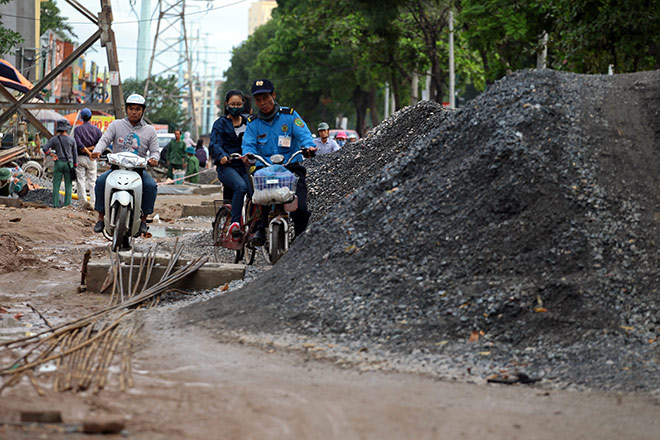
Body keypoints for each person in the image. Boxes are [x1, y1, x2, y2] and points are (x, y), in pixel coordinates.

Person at [241, 79, 317, 244]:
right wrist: (248, 154)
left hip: (291, 167)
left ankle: (300, 239)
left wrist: (309, 147)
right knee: (259, 198)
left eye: (265, 97)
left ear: (273, 95)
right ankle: (259, 229)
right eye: (258, 99)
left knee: (301, 208)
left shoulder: (289, 116)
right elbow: (248, 144)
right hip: (265, 169)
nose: (262, 103)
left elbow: (304, 134)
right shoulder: (253, 123)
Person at [90, 93, 159, 234]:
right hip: (116, 168)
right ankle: (101, 218)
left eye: (138, 109)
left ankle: (144, 220)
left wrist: (154, 159)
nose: (134, 112)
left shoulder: (150, 130)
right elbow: (104, 140)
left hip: (138, 171)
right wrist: (97, 151)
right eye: (131, 108)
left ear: (143, 111)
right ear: (127, 110)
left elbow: (155, 151)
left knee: (151, 186)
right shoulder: (116, 125)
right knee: (101, 181)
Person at [209, 89, 252, 238]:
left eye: (238, 104)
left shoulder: (249, 124)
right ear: (227, 104)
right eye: (232, 104)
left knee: (256, 194)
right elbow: (214, 144)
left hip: (244, 167)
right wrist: (221, 156)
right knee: (241, 187)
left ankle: (256, 229)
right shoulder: (220, 124)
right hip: (226, 167)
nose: (235, 107)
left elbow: (255, 141)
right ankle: (235, 223)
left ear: (243, 105)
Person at [42, 119, 78, 208]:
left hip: (58, 163)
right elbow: (75, 154)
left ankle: (55, 204)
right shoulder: (72, 139)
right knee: (68, 186)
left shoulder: (54, 139)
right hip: (68, 164)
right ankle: (67, 205)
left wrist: (52, 154)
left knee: (56, 185)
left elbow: (45, 148)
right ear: (67, 129)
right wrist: (75, 165)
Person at [73, 107, 102, 209]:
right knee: (92, 181)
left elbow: (79, 145)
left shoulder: (77, 130)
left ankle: (83, 203)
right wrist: (91, 152)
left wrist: (86, 150)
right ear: (91, 117)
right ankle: (93, 203)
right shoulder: (97, 130)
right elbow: (100, 144)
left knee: (80, 180)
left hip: (80, 158)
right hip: (92, 159)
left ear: (81, 117)